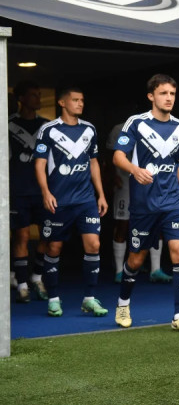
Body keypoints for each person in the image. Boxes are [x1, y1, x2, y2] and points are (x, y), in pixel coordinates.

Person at [113, 75, 179, 332]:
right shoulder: (136, 123)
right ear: (151, 96)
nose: (169, 98)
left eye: (172, 93)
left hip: (172, 201)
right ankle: (123, 304)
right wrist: (134, 169)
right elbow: (118, 156)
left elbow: (178, 161)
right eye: (163, 93)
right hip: (144, 205)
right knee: (136, 261)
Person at [33, 87, 108, 318]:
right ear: (62, 103)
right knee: (53, 247)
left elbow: (94, 162)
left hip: (85, 200)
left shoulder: (89, 129)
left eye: (82, 100)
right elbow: (39, 164)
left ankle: (89, 298)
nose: (80, 104)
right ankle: (53, 299)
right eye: (75, 100)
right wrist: (46, 192)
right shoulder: (48, 130)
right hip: (60, 200)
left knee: (93, 245)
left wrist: (101, 194)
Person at [105, 122, 169, 284]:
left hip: (150, 182)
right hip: (125, 182)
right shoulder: (118, 129)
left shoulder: (156, 127)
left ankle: (155, 269)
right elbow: (109, 154)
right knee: (123, 225)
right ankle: (120, 271)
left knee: (157, 223)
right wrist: (112, 176)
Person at [9, 80, 49, 303]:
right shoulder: (8, 125)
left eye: (39, 94)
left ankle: (36, 277)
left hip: (43, 192)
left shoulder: (47, 126)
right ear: (21, 99)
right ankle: (22, 285)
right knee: (22, 236)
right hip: (18, 191)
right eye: (33, 95)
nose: (37, 98)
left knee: (48, 236)